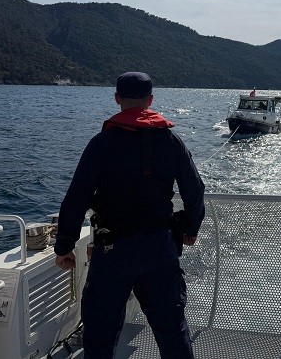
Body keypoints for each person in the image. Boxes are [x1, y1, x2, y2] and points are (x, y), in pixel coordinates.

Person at [54, 72, 205, 359]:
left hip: (112, 253)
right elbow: (195, 191)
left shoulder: (101, 144)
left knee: (100, 335)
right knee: (172, 331)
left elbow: (76, 199)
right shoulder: (171, 142)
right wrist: (191, 228)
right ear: (150, 100)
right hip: (160, 250)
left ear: (117, 99)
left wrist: (64, 246)